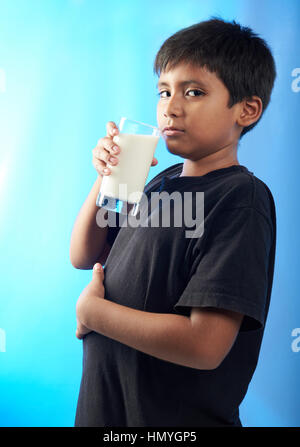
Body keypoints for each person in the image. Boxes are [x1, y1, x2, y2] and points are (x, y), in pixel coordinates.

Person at [70, 17, 277, 427]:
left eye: (194, 92)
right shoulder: (159, 181)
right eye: (164, 91)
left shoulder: (240, 199)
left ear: (246, 110)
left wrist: (93, 313)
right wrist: (107, 177)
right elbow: (84, 253)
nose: (171, 106)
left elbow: (205, 345)